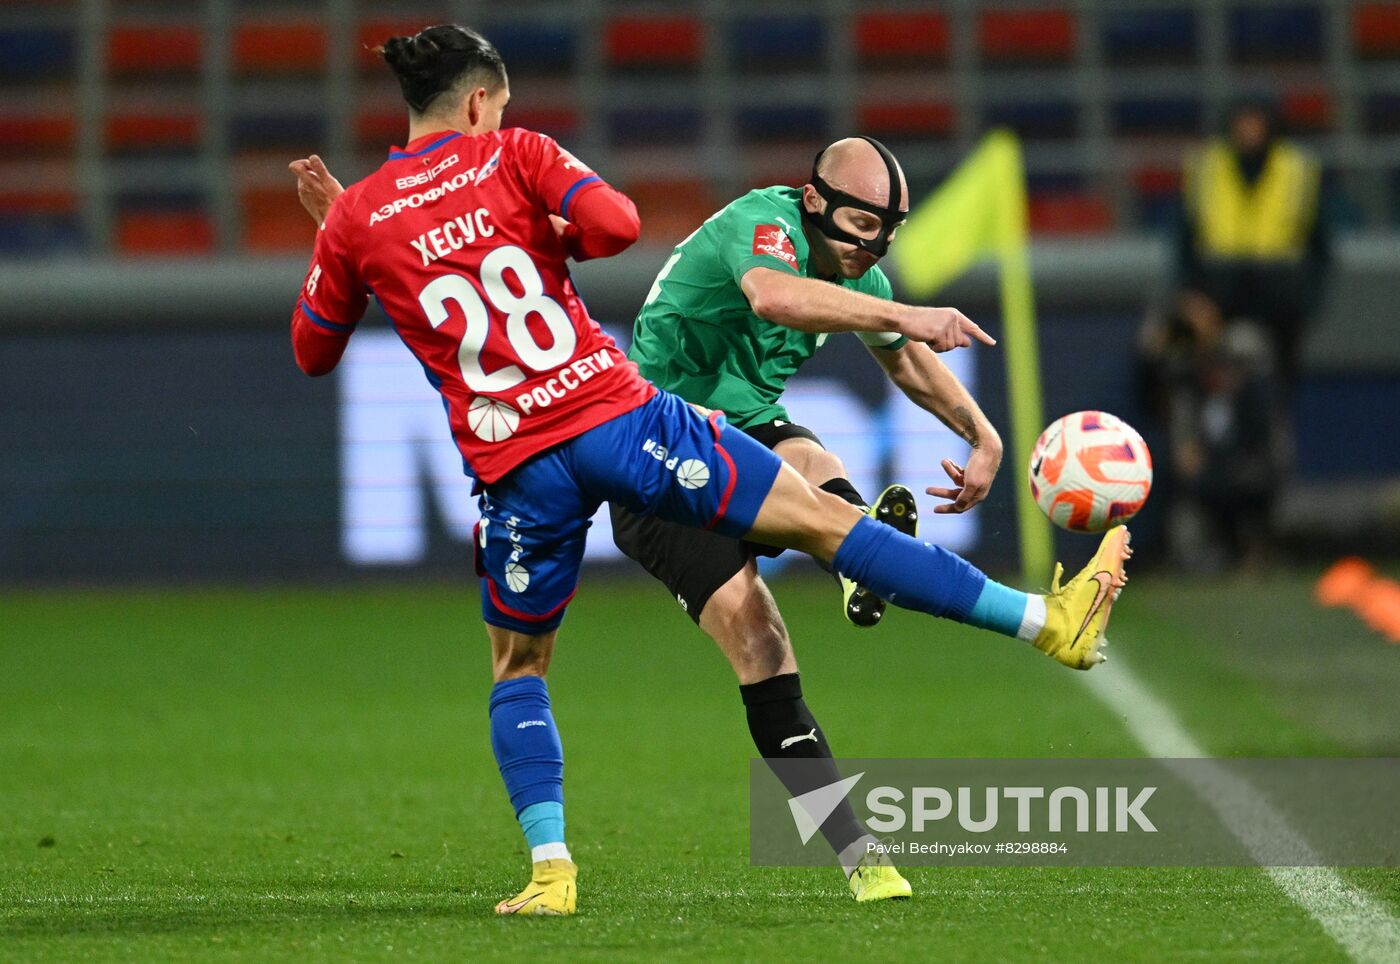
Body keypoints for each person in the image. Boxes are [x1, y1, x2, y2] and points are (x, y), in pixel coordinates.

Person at [287, 23, 1131, 917]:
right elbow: (616, 225)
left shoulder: (358, 216)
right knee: (813, 555)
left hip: (517, 465)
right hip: (624, 420)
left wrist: (354, 237)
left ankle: (553, 874)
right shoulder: (519, 155)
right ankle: (1041, 620)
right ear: (480, 102)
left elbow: (312, 350)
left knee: (525, 665)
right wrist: (534, 228)